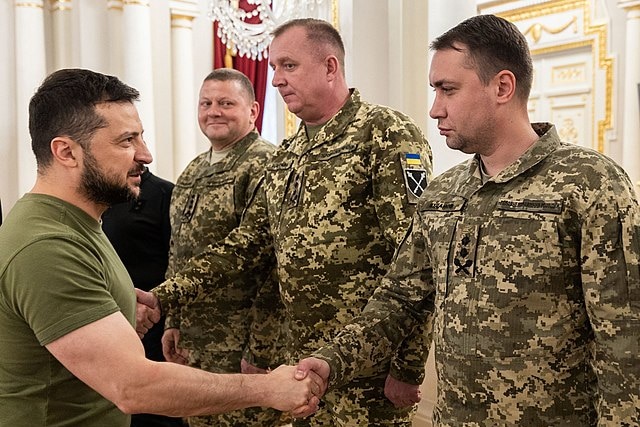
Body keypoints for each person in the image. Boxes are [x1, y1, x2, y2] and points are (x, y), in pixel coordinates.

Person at [296, 14, 640, 426]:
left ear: (502, 87)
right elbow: (399, 300)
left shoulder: (589, 185)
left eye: (448, 90)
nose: (435, 108)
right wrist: (330, 361)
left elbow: (625, 337)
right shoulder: (442, 194)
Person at [139, 18, 432, 427]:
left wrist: (408, 366)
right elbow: (248, 244)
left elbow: (419, 259)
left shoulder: (384, 134)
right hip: (301, 365)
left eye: (288, 66)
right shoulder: (289, 153)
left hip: (369, 367)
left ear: (330, 67)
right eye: (274, 67)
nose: (275, 80)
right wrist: (165, 296)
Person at [0, 68, 322, 427]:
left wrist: (120, 310)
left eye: (141, 138)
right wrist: (267, 388)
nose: (146, 154)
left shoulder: (80, 224)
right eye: (126, 141)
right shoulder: (48, 246)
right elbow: (134, 386)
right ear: (66, 152)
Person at [160, 68, 285, 427]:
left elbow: (273, 262)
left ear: (253, 111)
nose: (213, 111)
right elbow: (178, 251)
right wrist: (174, 320)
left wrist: (262, 347)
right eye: (206, 103)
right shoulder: (194, 170)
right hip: (195, 342)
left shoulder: (265, 164)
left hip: (242, 345)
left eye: (226, 103)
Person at [102, 167, 184, 427]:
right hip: (108, 321)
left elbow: (177, 264)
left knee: (154, 409)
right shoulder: (99, 196)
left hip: (150, 320)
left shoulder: (164, 193)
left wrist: (170, 321)